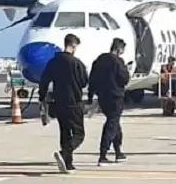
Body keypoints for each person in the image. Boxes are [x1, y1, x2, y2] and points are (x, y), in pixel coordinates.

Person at [38, 34, 89, 173]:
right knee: (79, 134)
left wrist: (42, 97)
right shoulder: (77, 63)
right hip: (74, 102)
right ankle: (63, 153)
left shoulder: (53, 62)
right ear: (73, 46)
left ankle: (68, 163)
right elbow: (84, 82)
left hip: (59, 102)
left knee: (65, 132)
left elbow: (44, 81)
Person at [88, 38, 130, 165]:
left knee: (115, 122)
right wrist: (126, 69)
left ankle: (118, 151)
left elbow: (92, 78)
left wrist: (90, 97)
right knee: (112, 124)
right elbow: (124, 79)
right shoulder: (118, 61)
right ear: (119, 49)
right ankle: (103, 154)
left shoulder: (99, 60)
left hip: (102, 97)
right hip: (115, 97)